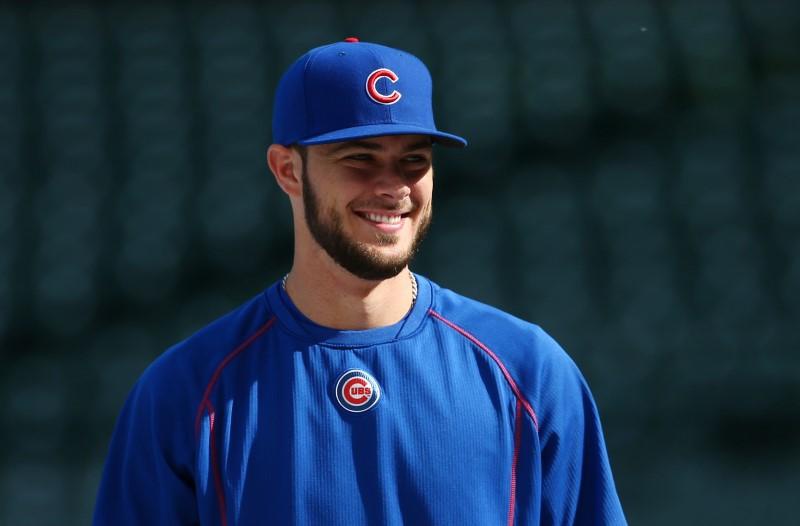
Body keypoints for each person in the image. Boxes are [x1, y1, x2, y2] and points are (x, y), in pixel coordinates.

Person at [94, 38, 626, 525]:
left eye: (413, 161)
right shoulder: (187, 390)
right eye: (360, 158)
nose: (393, 188)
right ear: (288, 170)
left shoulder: (528, 369)